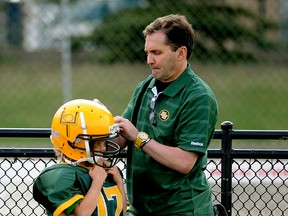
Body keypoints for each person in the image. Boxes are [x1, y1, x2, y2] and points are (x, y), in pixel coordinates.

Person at [114, 14, 218, 215]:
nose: (149, 60)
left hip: (182, 209)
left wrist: (139, 137)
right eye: (147, 52)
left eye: (156, 52)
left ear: (181, 53)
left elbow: (184, 162)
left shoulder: (198, 96)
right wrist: (98, 122)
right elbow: (122, 136)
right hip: (141, 208)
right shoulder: (145, 86)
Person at [33, 99, 127, 216]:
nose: (103, 148)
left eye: (104, 141)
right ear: (76, 143)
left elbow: (122, 213)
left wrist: (119, 182)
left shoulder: (107, 170)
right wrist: (97, 182)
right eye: (98, 142)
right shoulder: (61, 176)